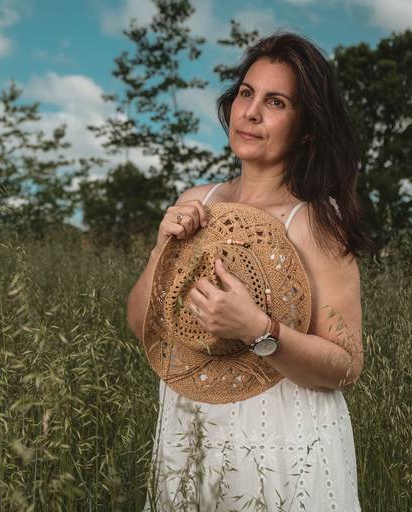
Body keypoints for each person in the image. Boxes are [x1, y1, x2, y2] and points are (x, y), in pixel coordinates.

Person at [126, 32, 372, 511]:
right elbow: (144, 327)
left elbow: (347, 365)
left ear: (307, 128)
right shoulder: (197, 202)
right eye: (246, 93)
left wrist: (259, 330)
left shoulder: (316, 223)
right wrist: (161, 250)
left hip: (285, 438)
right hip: (191, 425)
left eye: (275, 101)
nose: (251, 112)